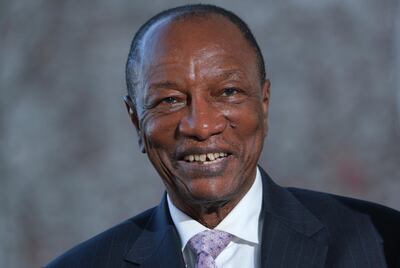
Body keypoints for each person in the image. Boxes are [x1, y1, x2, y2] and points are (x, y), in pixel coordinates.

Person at [46, 4, 400, 268]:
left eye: (228, 92)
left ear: (264, 104)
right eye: (169, 100)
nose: (201, 126)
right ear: (136, 121)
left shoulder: (382, 244)